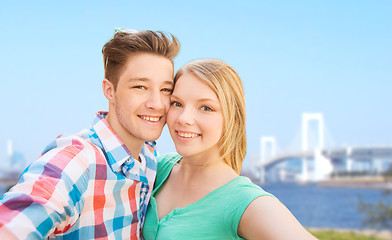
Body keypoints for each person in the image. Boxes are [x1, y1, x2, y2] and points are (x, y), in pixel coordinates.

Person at [0, 28, 180, 239]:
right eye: (140, 87)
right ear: (109, 91)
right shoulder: (78, 159)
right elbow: (14, 224)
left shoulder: (149, 161)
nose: (156, 104)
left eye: (165, 90)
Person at [142, 59, 318, 239]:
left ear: (232, 120)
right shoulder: (158, 168)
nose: (184, 118)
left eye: (206, 108)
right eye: (177, 103)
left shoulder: (244, 202)